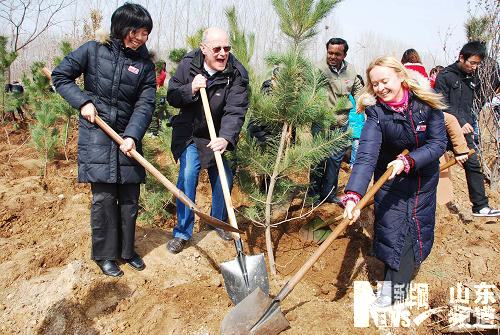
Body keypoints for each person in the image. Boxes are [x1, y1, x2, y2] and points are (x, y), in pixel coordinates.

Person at [52, 3, 156, 277]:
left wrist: (132, 136)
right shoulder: (92, 50)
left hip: (128, 138)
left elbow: (145, 104)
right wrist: (83, 102)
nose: (141, 38)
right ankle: (104, 255)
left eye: (145, 33)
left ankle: (127, 251)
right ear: (121, 28)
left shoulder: (144, 65)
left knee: (130, 199)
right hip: (97, 134)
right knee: (105, 199)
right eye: (137, 32)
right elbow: (60, 76)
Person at [342, 56, 447, 308]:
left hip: (422, 179)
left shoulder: (425, 105)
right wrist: (353, 195)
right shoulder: (376, 113)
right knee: (389, 226)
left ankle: (395, 290)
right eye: (374, 84)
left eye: (384, 81)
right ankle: (392, 277)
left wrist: (410, 161)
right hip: (389, 178)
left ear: (400, 76)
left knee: (412, 228)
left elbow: (437, 144)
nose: (380, 88)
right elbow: (366, 156)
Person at [166, 27, 249, 254]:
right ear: (203, 49)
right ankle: (182, 232)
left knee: (224, 178)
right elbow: (172, 96)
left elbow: (236, 110)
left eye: (227, 48)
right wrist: (190, 88)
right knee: (188, 174)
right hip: (190, 133)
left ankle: (217, 223)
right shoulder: (188, 65)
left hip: (216, 134)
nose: (223, 53)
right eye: (217, 49)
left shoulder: (236, 74)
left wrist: (226, 137)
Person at [434, 41, 499, 217]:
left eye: (478, 64)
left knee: (473, 165)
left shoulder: (474, 78)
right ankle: (434, 204)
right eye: (472, 63)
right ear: (461, 57)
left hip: (465, 129)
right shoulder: (445, 76)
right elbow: (440, 103)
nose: (474, 67)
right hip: (444, 128)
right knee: (433, 164)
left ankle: (480, 206)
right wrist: (461, 120)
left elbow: (481, 98)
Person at [309, 37, 363, 205]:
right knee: (318, 159)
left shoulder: (351, 70)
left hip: (341, 122)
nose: (332, 56)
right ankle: (313, 195)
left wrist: (362, 102)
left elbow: (359, 90)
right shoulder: (318, 69)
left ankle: (329, 195)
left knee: (335, 160)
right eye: (330, 52)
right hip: (321, 122)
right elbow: (309, 91)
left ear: (344, 55)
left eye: (337, 54)